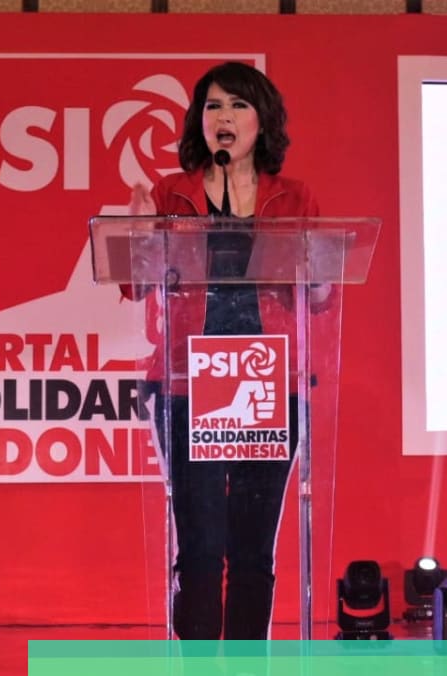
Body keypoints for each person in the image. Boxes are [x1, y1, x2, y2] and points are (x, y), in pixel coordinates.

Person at [119, 61, 325, 640]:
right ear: (199, 120)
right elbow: (136, 286)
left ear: (263, 121)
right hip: (187, 384)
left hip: (268, 384)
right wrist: (140, 236)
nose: (224, 116)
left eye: (238, 105)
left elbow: (319, 299)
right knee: (201, 545)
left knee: (254, 548)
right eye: (213, 106)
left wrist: (318, 273)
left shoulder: (294, 197)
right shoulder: (171, 193)